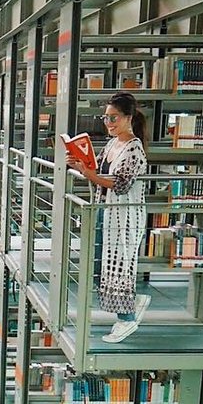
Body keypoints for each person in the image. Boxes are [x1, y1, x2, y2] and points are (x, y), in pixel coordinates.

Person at [68, 92, 149, 344]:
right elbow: (97, 168)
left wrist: (87, 173)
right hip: (106, 211)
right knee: (104, 265)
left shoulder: (134, 149)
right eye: (106, 118)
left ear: (129, 118)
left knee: (119, 266)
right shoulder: (113, 144)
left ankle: (126, 319)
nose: (109, 123)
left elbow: (120, 184)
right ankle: (131, 303)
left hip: (124, 217)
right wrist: (79, 162)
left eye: (113, 118)